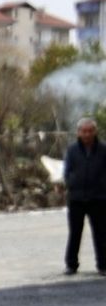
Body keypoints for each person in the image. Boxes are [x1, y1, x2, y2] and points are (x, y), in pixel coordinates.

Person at [62, 116, 106, 275]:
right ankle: (71, 265)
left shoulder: (103, 150)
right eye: (83, 131)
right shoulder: (72, 150)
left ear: (95, 132)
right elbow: (67, 171)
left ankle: (102, 265)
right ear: (78, 133)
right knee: (75, 233)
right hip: (76, 199)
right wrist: (70, 183)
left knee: (101, 233)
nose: (87, 134)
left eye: (90, 131)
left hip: (98, 198)